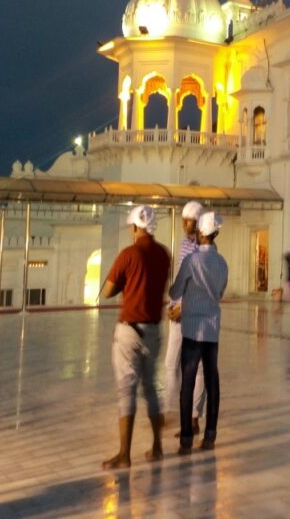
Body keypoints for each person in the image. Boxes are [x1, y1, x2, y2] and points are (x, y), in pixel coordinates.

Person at [101, 205, 171, 469]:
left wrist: (122, 283)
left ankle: (124, 454)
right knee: (151, 388)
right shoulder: (164, 254)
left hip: (129, 330)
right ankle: (157, 447)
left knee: (126, 390)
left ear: (133, 227)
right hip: (154, 330)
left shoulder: (128, 254)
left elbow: (107, 291)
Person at [170, 211, 228, 454]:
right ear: (214, 234)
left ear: (200, 234)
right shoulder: (222, 263)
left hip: (192, 329)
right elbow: (221, 293)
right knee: (212, 380)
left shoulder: (191, 261)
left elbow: (175, 292)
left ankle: (186, 439)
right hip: (212, 330)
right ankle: (210, 435)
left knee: (188, 381)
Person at [163, 201, 206, 437]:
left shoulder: (205, 250)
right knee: (171, 364)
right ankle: (170, 409)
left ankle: (193, 417)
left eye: (189, 221)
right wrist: (172, 304)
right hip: (177, 314)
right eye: (183, 220)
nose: (185, 225)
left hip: (194, 314)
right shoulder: (183, 245)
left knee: (197, 368)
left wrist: (184, 306)